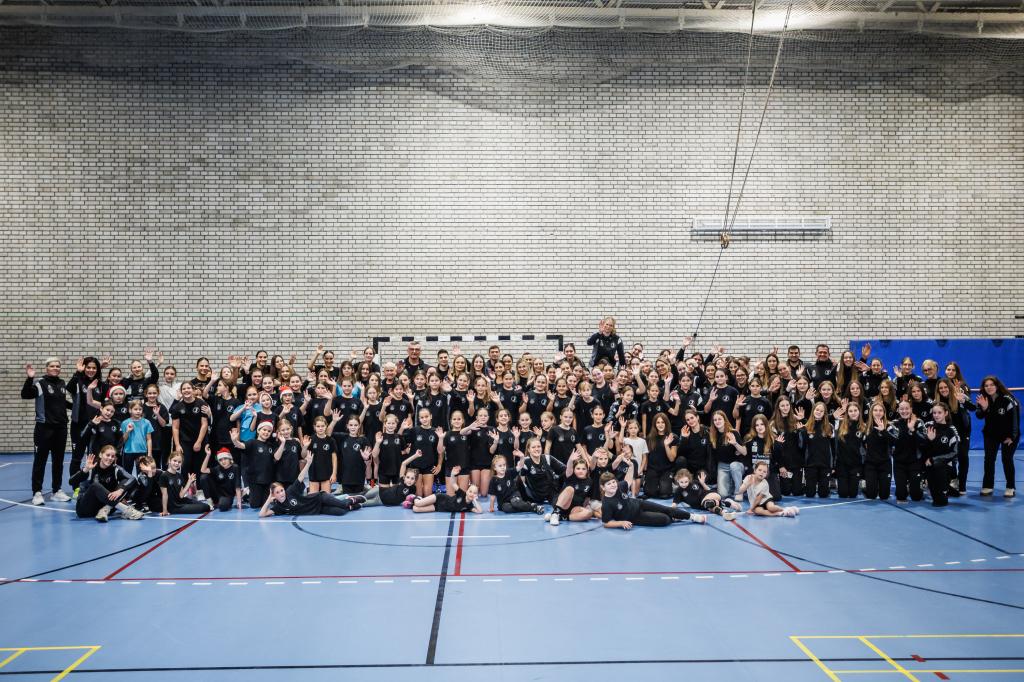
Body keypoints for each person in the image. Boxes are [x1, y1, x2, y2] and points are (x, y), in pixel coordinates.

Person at [21, 359, 73, 505]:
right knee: (40, 461)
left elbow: (62, 402)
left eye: (58, 366)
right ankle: (37, 492)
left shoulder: (61, 383)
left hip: (61, 428)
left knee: (58, 461)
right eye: (52, 366)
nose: (55, 368)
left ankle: (56, 491)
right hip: (44, 428)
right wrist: (29, 378)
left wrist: (77, 407)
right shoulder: (40, 383)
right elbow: (25, 394)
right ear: (47, 368)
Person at [600, 469, 705, 530]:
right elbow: (606, 523)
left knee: (666, 509)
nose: (613, 485)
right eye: (609, 484)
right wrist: (621, 523)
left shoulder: (619, 486)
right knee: (665, 519)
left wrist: (631, 465)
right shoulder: (606, 503)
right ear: (603, 487)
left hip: (639, 503)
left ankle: (693, 517)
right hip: (636, 517)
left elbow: (628, 479)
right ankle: (674, 517)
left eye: (613, 482)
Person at [260, 457, 364, 517]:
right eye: (277, 492)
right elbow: (262, 514)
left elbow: (300, 477)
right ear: (273, 495)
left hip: (319, 498)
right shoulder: (279, 507)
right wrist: (269, 499)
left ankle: (352, 499)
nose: (281, 493)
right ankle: (352, 506)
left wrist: (308, 463)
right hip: (318, 509)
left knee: (343, 504)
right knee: (341, 512)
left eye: (281, 490)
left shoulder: (290, 491)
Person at [68, 445, 145, 522]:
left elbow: (132, 479)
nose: (110, 458)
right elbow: (71, 482)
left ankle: (105, 510)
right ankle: (126, 510)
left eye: (112, 456)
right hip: (85, 509)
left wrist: (121, 490)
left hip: (105, 506)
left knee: (127, 483)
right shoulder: (91, 467)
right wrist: (85, 470)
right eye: (107, 455)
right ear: (100, 455)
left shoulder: (115, 469)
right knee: (95, 486)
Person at [975, 375, 1019, 497]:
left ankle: (1010, 487)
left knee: (1007, 459)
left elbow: (1015, 419)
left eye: (991, 385)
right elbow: (979, 415)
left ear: (997, 386)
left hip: (1008, 435)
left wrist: (1012, 436)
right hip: (991, 434)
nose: (989, 387)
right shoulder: (983, 398)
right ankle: (988, 486)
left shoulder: (1008, 399)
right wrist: (985, 408)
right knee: (989, 459)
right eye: (986, 385)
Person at [919, 402, 961, 507]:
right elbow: (922, 448)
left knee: (941, 502)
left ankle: (947, 486)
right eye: (934, 413)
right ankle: (944, 487)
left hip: (945, 466)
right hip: (929, 465)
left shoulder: (951, 430)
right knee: (935, 499)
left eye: (939, 412)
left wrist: (935, 459)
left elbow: (955, 452)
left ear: (946, 413)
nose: (936, 415)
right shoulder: (928, 426)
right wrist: (929, 440)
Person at [546, 451, 598, 526]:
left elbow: (587, 498)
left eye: (583, 469)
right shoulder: (571, 476)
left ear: (587, 470)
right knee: (570, 489)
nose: (581, 471)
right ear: (574, 469)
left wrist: (582, 510)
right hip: (563, 504)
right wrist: (570, 460)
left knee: (589, 513)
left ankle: (562, 517)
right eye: (578, 468)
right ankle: (555, 513)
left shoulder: (590, 481)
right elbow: (569, 468)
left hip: (574, 508)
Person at [671, 468, 739, 520]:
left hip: (709, 495)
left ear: (689, 479)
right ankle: (725, 513)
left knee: (707, 503)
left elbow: (709, 490)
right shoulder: (678, 491)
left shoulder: (694, 483)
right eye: (681, 482)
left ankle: (727, 503)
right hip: (702, 506)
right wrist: (671, 513)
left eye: (686, 482)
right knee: (713, 508)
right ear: (677, 480)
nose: (684, 484)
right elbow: (674, 504)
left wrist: (703, 483)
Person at [159, 450, 212, 515]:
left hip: (181, 501)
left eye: (179, 462)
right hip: (174, 506)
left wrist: (189, 482)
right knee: (203, 507)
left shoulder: (179, 476)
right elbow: (164, 495)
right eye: (174, 461)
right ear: (169, 461)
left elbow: (181, 495)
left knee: (206, 506)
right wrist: (165, 510)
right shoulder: (164, 476)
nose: (177, 463)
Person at [199, 446, 244, 512]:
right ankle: (209, 502)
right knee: (204, 477)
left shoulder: (235, 467)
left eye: (225, 459)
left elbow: (237, 486)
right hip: (216, 494)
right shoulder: (217, 468)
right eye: (220, 460)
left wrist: (239, 502)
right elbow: (203, 470)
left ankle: (220, 503)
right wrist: (208, 455)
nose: (223, 461)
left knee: (222, 506)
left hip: (227, 496)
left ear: (230, 459)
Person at [412, 483, 483, 514]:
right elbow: (453, 483)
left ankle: (415, 501)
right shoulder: (462, 494)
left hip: (438, 508)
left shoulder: (470, 506)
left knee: (416, 509)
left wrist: (474, 500)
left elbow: (480, 511)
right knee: (417, 503)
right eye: (470, 491)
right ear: (466, 491)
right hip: (439, 498)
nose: (472, 494)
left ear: (476, 495)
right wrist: (453, 474)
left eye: (474, 493)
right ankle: (415, 497)